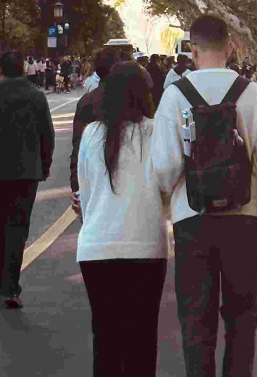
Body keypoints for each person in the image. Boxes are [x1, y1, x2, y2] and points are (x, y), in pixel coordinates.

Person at [152, 13, 257, 377]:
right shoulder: (253, 93)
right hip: (244, 219)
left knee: (196, 319)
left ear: (192, 50)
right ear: (230, 46)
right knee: (242, 317)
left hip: (192, 221)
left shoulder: (174, 95)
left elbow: (163, 169)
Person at [77, 62, 168, 376]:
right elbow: (167, 186)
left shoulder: (91, 134)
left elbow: (85, 196)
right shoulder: (156, 132)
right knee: (142, 341)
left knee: (106, 342)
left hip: (96, 248)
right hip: (145, 248)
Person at [0, 50, 56, 307]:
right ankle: (11, 286)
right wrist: (45, 164)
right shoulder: (36, 96)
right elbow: (47, 135)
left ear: (0, 69)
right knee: (18, 229)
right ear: (23, 68)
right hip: (26, 172)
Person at [71, 46, 118, 211]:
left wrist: (75, 187)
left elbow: (77, 146)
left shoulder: (86, 101)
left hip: (93, 175)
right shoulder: (128, 99)